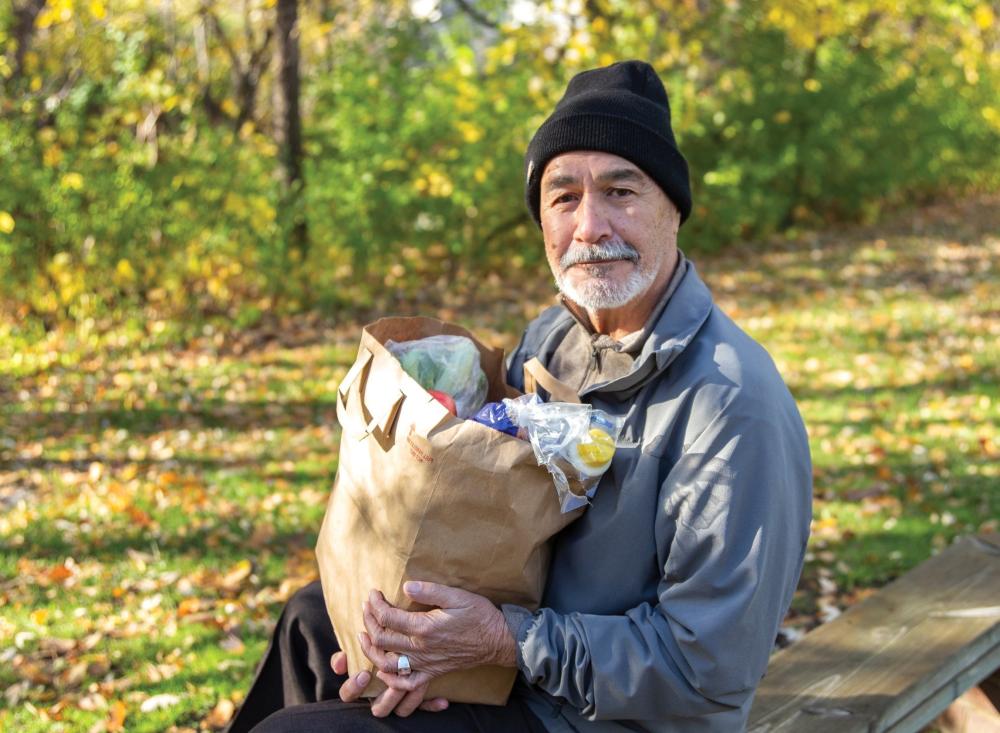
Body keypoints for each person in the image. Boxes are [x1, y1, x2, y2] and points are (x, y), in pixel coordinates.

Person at [227, 59, 812, 733]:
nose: (590, 227)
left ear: (672, 208)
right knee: (314, 621)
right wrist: (403, 642)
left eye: (621, 191)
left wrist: (502, 639)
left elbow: (705, 670)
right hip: (518, 676)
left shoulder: (730, 405)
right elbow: (491, 519)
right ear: (540, 219)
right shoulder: (554, 337)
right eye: (564, 196)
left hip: (606, 719)